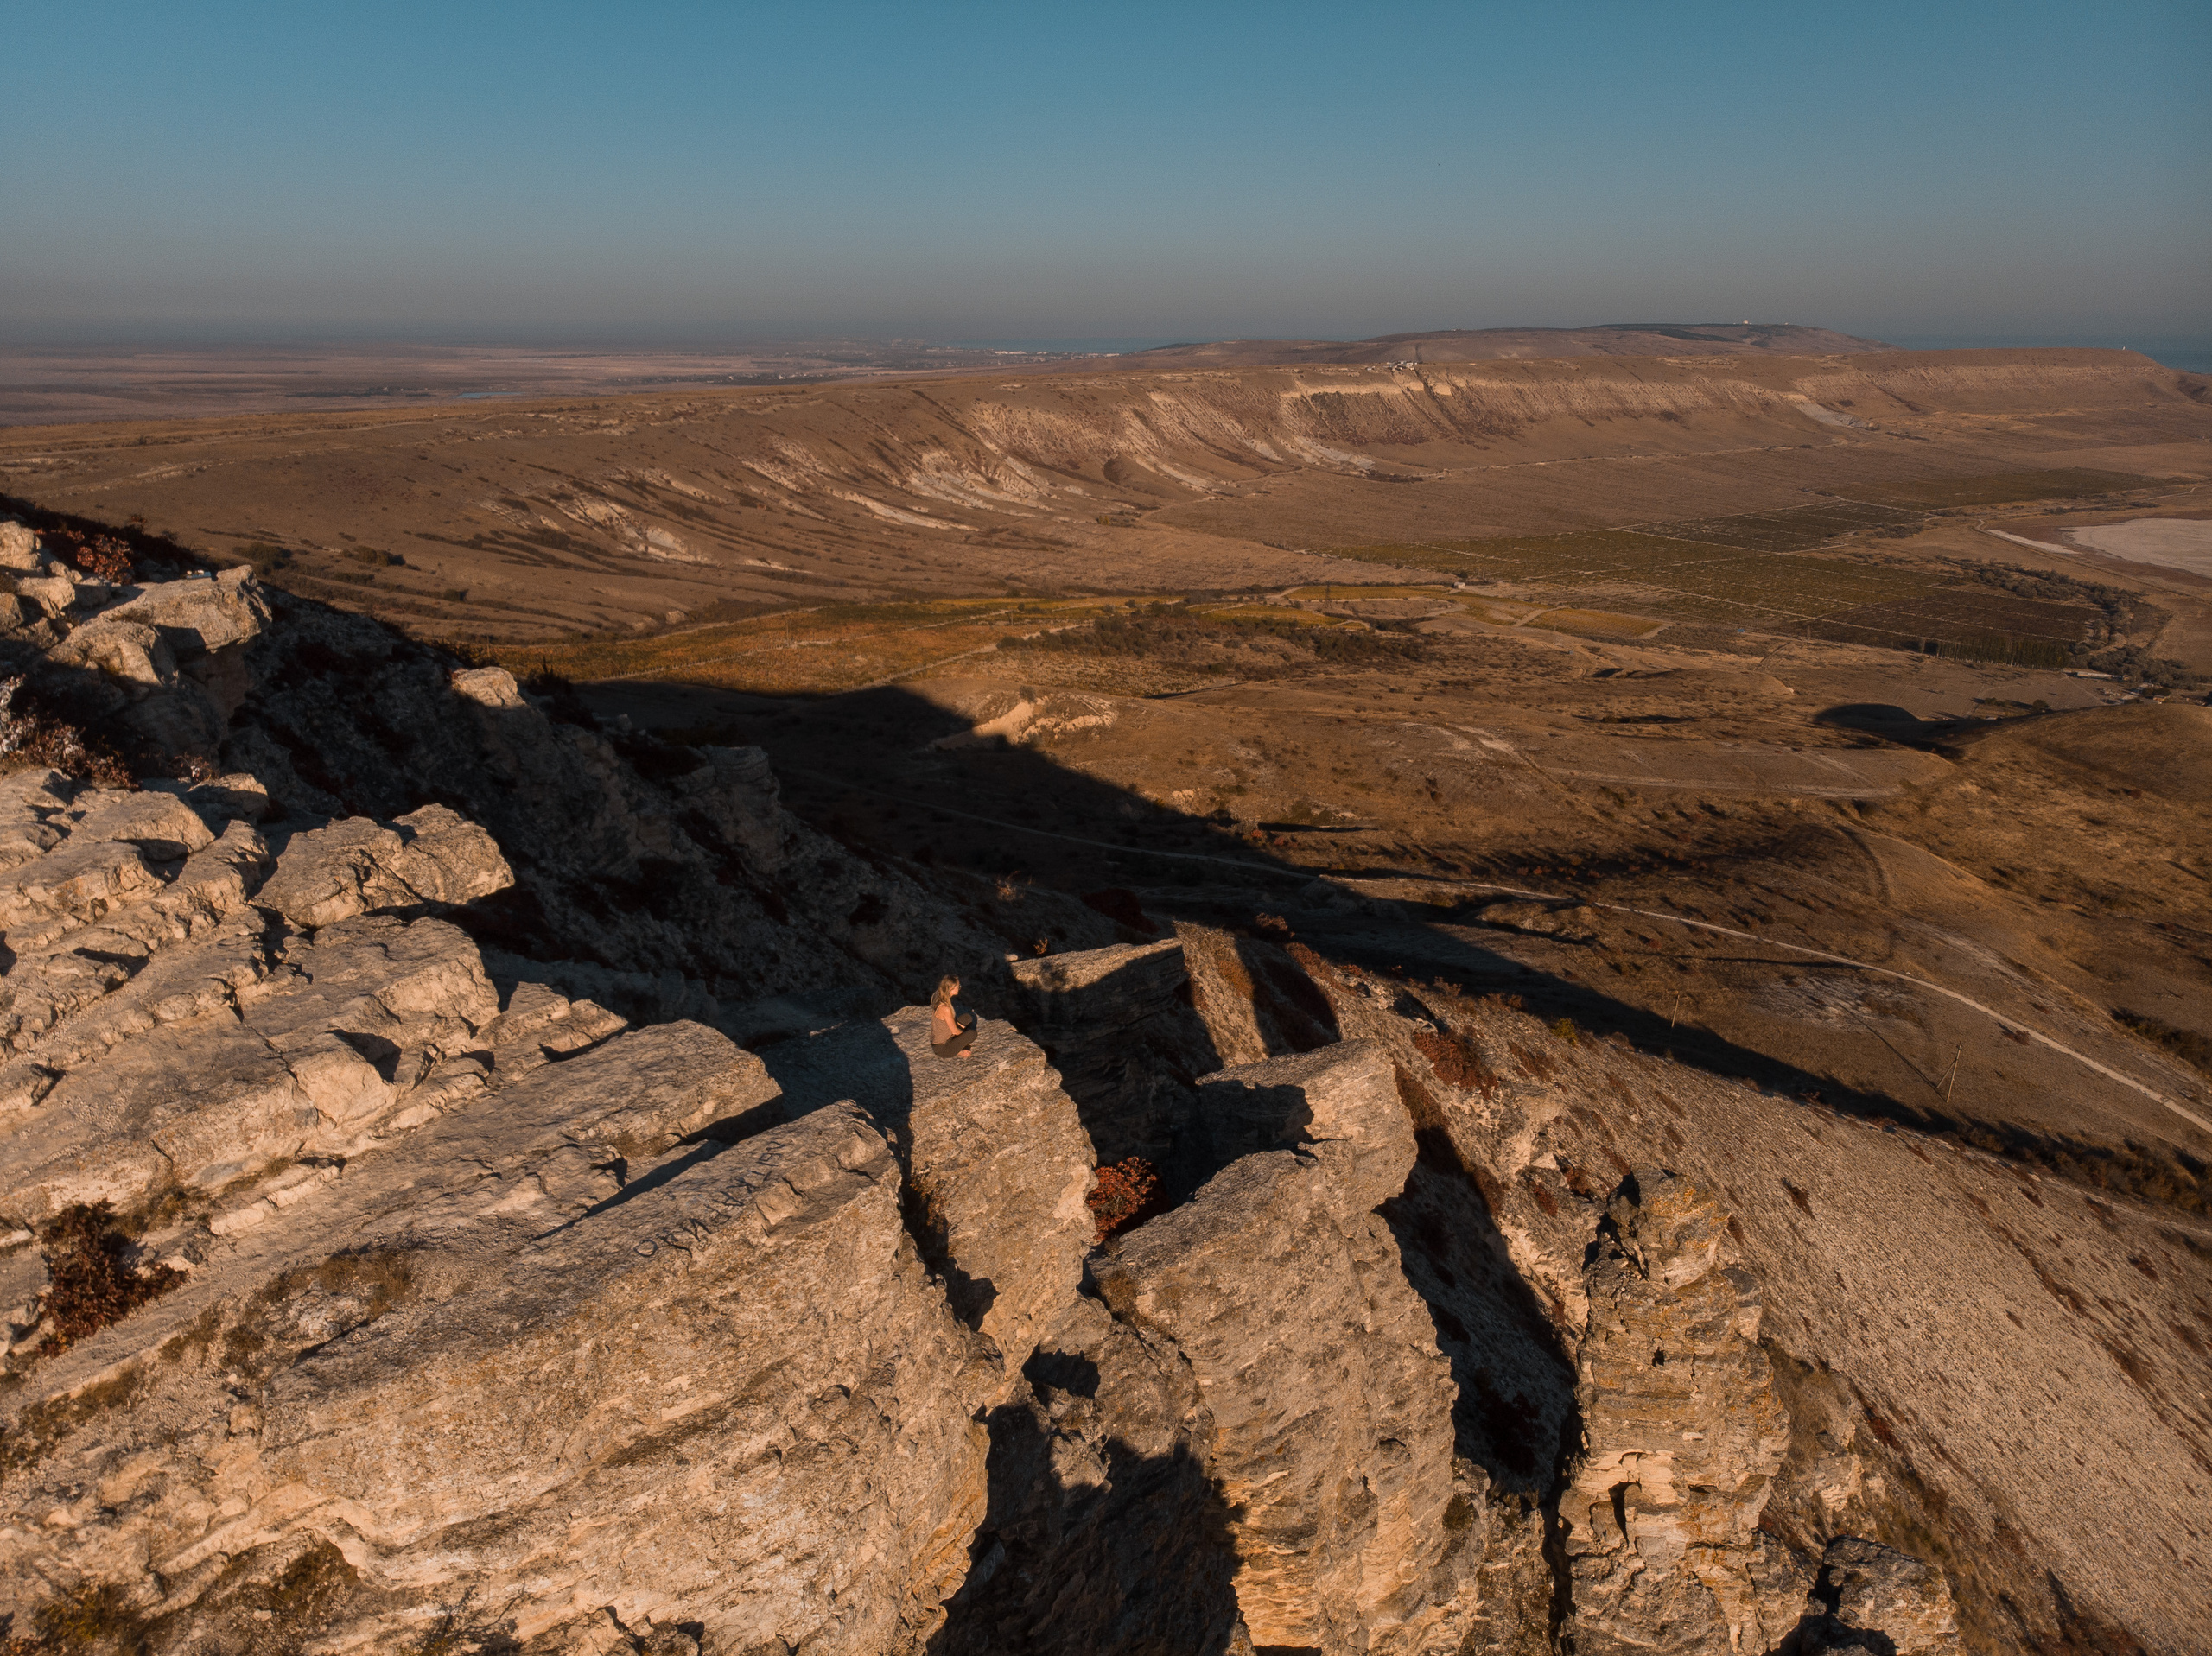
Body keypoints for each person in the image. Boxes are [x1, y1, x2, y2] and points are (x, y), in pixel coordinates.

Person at [931, 974, 976, 1059]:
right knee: (972, 1035)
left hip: (946, 1036)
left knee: (967, 1018)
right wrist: (965, 1036)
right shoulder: (945, 1008)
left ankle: (957, 1043)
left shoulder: (938, 996)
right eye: (958, 986)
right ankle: (959, 1051)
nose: (959, 987)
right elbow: (955, 1031)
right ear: (951, 988)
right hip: (942, 1048)